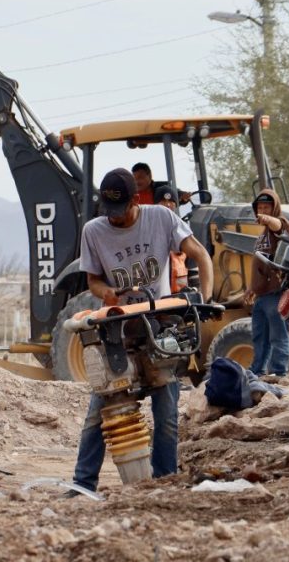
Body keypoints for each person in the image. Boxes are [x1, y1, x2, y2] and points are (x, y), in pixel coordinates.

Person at [71, 167, 214, 492]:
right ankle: (83, 483)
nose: (115, 219)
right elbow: (92, 278)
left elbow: (200, 255)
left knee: (165, 410)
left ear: (136, 199)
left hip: (159, 326)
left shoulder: (161, 219)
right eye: (110, 213)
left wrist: (204, 299)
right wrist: (105, 292)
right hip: (117, 329)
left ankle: (164, 481)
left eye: (121, 212)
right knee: (100, 409)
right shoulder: (94, 231)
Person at [243, 188, 289, 377]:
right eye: (260, 207)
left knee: (278, 335)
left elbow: (277, 224)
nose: (262, 210)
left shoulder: (282, 226)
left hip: (276, 293)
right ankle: (258, 370)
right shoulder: (262, 236)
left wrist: (266, 218)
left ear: (275, 208)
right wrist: (251, 287)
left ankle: (279, 372)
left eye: (267, 207)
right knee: (259, 335)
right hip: (261, 295)